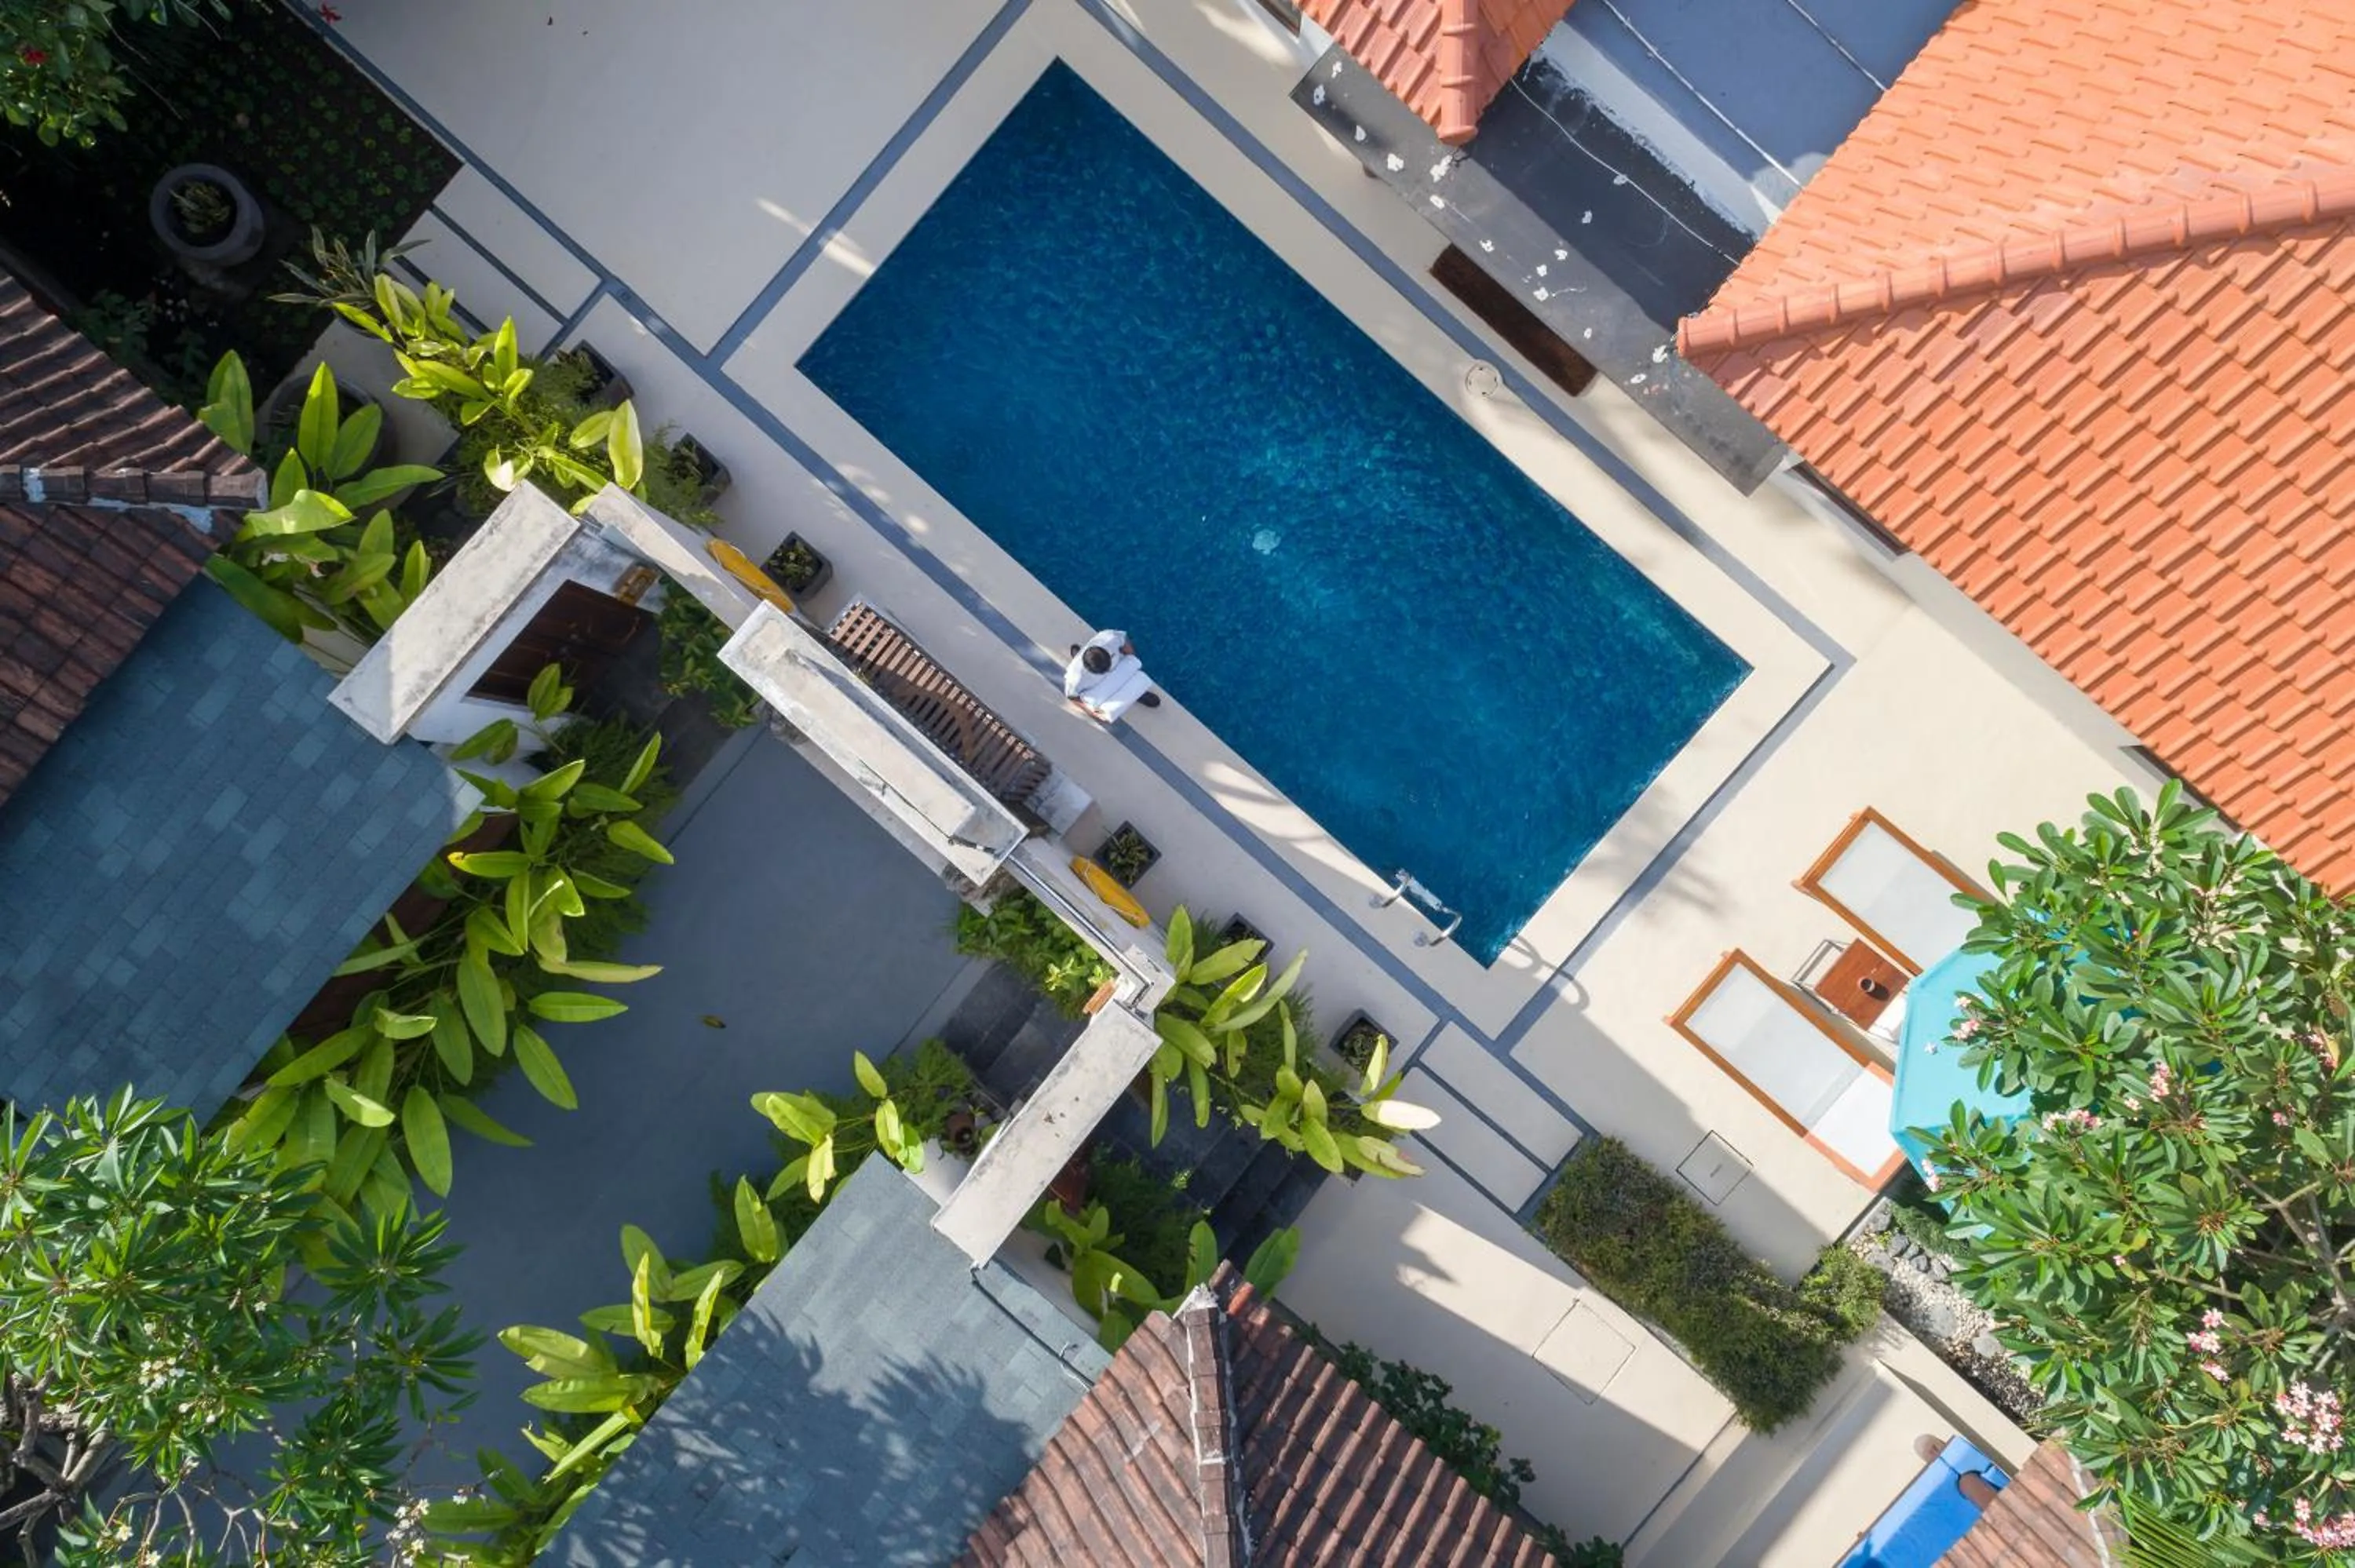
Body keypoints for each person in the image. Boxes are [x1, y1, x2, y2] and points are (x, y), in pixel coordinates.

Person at [1064, 629, 1162, 723]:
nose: (1108, 671)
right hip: (1097, 686)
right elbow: (1072, 697)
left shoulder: (1109, 638)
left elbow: (1124, 640)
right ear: (1089, 670)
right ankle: (1078, 657)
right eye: (1104, 671)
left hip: (1117, 669)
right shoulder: (1074, 678)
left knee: (1131, 666)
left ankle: (1136, 691)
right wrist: (1095, 713)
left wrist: (1132, 660)